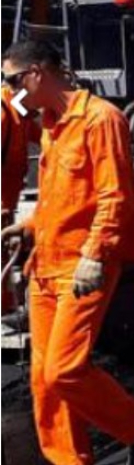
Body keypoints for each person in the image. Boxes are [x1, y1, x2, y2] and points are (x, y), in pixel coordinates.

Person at [0, 40, 134, 465]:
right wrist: (28, 226)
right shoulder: (50, 124)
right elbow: (62, 200)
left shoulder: (100, 119)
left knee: (64, 370)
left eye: (12, 81)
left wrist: (94, 255)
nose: (9, 91)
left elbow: (115, 196)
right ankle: (70, 462)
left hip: (81, 265)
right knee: (43, 380)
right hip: (46, 265)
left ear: (36, 74)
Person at [2, 78, 40, 315]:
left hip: (8, 195)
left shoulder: (18, 105)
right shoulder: (4, 112)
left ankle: (5, 306)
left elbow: (44, 134)